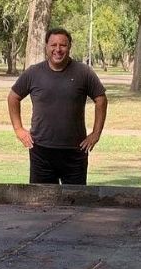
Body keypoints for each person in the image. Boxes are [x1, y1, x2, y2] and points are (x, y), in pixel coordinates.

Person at [8, 28, 107, 185]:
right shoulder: (34, 73)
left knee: (74, 203)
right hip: (41, 150)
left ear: (69, 47)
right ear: (46, 47)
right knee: (41, 204)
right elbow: (13, 97)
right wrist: (18, 129)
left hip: (75, 151)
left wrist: (96, 133)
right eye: (53, 45)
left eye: (63, 45)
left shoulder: (83, 72)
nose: (58, 49)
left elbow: (100, 99)